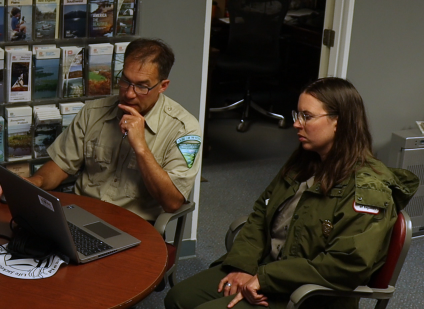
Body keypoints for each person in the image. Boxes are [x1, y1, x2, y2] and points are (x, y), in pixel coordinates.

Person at [165, 77, 419, 309]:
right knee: (179, 298)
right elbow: (261, 214)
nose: (296, 124)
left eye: (307, 116)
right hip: (268, 267)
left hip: (309, 294)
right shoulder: (305, 162)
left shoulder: (367, 188)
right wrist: (243, 266)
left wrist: (264, 279)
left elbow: (345, 266)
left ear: (338, 121)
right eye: (297, 114)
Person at [0, 38, 202, 221]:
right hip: (81, 215)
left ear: (163, 85)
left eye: (142, 86)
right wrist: (35, 182)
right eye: (125, 81)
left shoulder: (184, 130)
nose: (130, 94)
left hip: (137, 226)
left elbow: (173, 202)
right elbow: (61, 165)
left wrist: (141, 148)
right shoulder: (93, 112)